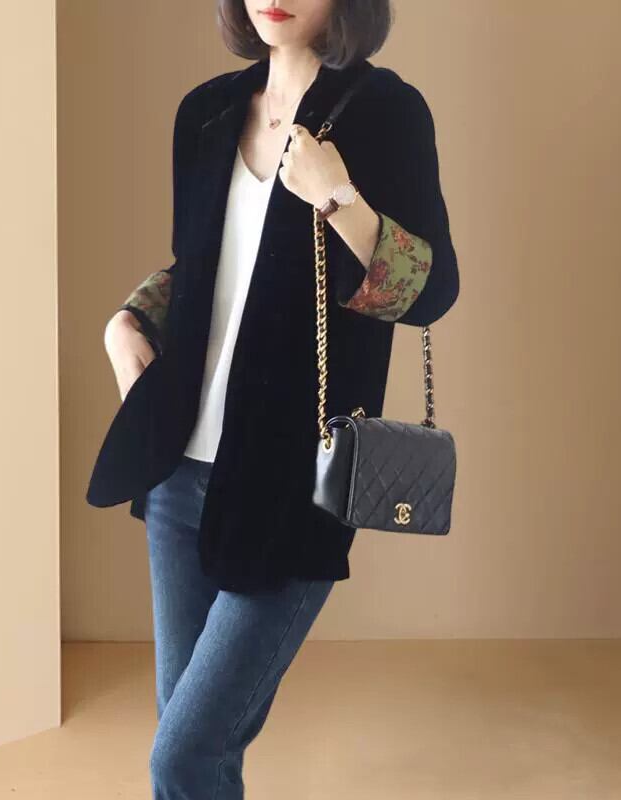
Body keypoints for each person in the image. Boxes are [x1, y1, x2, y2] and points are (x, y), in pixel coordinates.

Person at [89, 1, 459, 796]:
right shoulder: (207, 111)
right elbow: (205, 268)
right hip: (179, 470)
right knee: (193, 746)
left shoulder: (388, 113)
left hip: (292, 483)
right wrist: (127, 323)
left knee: (183, 756)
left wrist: (337, 197)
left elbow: (431, 292)